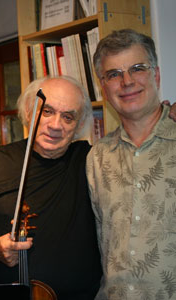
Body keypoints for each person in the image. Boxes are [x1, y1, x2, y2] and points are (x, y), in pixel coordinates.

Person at [0, 76, 103, 299]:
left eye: (68, 117)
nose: (56, 125)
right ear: (29, 112)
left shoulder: (91, 161)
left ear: (78, 125)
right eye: (47, 111)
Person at [86, 29, 176, 299]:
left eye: (137, 68)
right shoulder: (98, 157)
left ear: (156, 75)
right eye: (113, 74)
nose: (126, 81)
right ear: (103, 87)